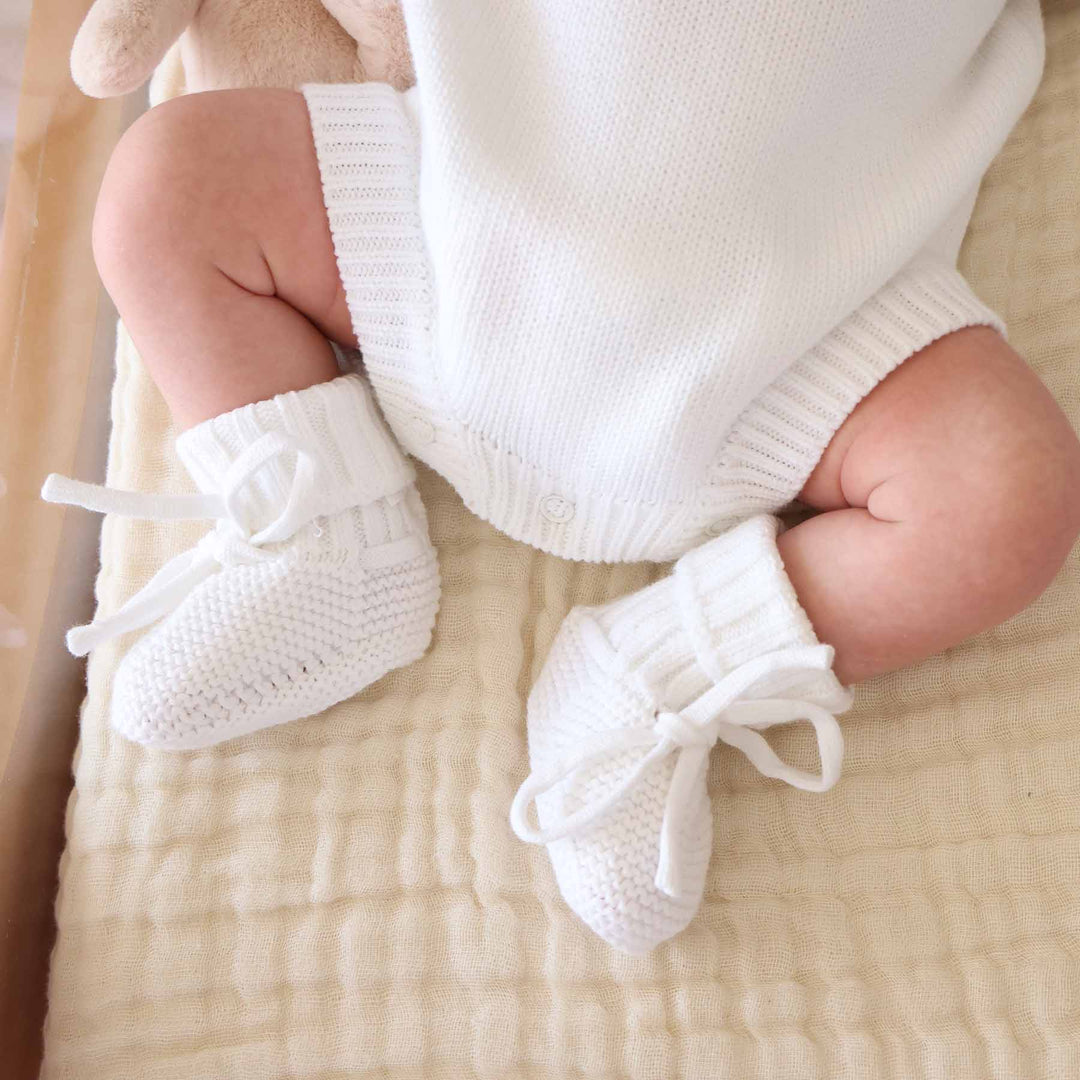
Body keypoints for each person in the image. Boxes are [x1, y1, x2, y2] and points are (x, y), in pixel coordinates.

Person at [44, 0, 1080, 952]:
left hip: (813, 313)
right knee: (159, 185)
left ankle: (656, 672)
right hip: (459, 201)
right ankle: (332, 530)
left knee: (1007, 495)